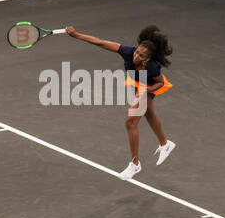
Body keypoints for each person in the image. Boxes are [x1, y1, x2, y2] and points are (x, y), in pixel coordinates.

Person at [66, 25, 176, 180]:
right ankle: (165, 144)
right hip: (138, 83)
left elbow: (160, 82)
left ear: (148, 59)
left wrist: (148, 90)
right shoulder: (128, 52)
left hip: (148, 85)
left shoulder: (152, 67)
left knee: (130, 122)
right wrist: (76, 35)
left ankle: (135, 164)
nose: (136, 56)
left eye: (141, 56)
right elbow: (100, 42)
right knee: (149, 113)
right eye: (137, 52)